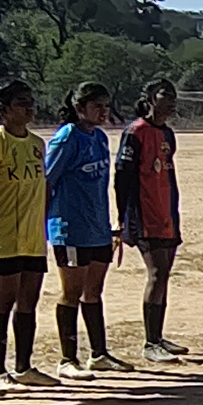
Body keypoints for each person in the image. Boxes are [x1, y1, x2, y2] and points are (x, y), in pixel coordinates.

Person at [43, 81, 119, 372]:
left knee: (94, 291)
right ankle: (67, 359)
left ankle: (99, 354)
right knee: (71, 292)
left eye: (106, 105)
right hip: (70, 228)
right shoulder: (66, 139)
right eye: (97, 106)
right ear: (79, 108)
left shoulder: (99, 138)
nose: (103, 111)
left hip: (97, 228)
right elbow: (48, 182)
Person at [0, 80, 53, 384]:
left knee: (29, 301)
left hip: (33, 236)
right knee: (3, 301)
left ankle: (24, 366)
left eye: (31, 101)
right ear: (4, 109)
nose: (29, 108)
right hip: (3, 236)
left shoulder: (38, 144)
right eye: (21, 103)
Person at [114, 80, 185, 359]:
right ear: (149, 99)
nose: (171, 101)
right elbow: (123, 177)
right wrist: (123, 217)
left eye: (173, 96)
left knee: (164, 274)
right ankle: (149, 343)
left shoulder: (167, 133)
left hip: (167, 211)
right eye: (165, 95)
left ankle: (158, 336)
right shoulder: (136, 132)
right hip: (145, 213)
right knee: (156, 274)